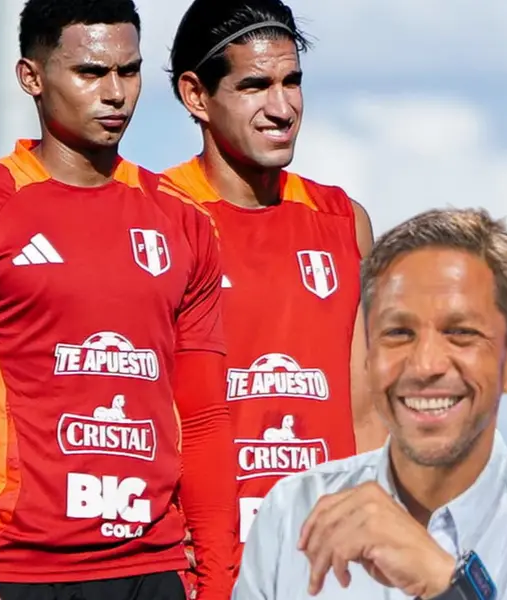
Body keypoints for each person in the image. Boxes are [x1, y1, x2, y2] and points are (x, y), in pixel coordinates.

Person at [0, 1, 234, 598]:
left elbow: (205, 419)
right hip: (14, 572)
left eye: (128, 72)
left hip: (151, 569)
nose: (116, 94)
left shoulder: (183, 222)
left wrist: (215, 583)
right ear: (31, 76)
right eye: (90, 72)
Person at [234, 208, 507, 599]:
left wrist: (445, 583)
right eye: (399, 332)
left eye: (460, 332)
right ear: (369, 359)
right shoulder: (292, 511)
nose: (425, 365)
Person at [161, 0, 384, 580]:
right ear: (195, 95)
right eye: (255, 85)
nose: (282, 108)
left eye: (292, 82)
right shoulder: (155, 215)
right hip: (205, 563)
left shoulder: (342, 218)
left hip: (324, 565)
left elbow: (365, 406)